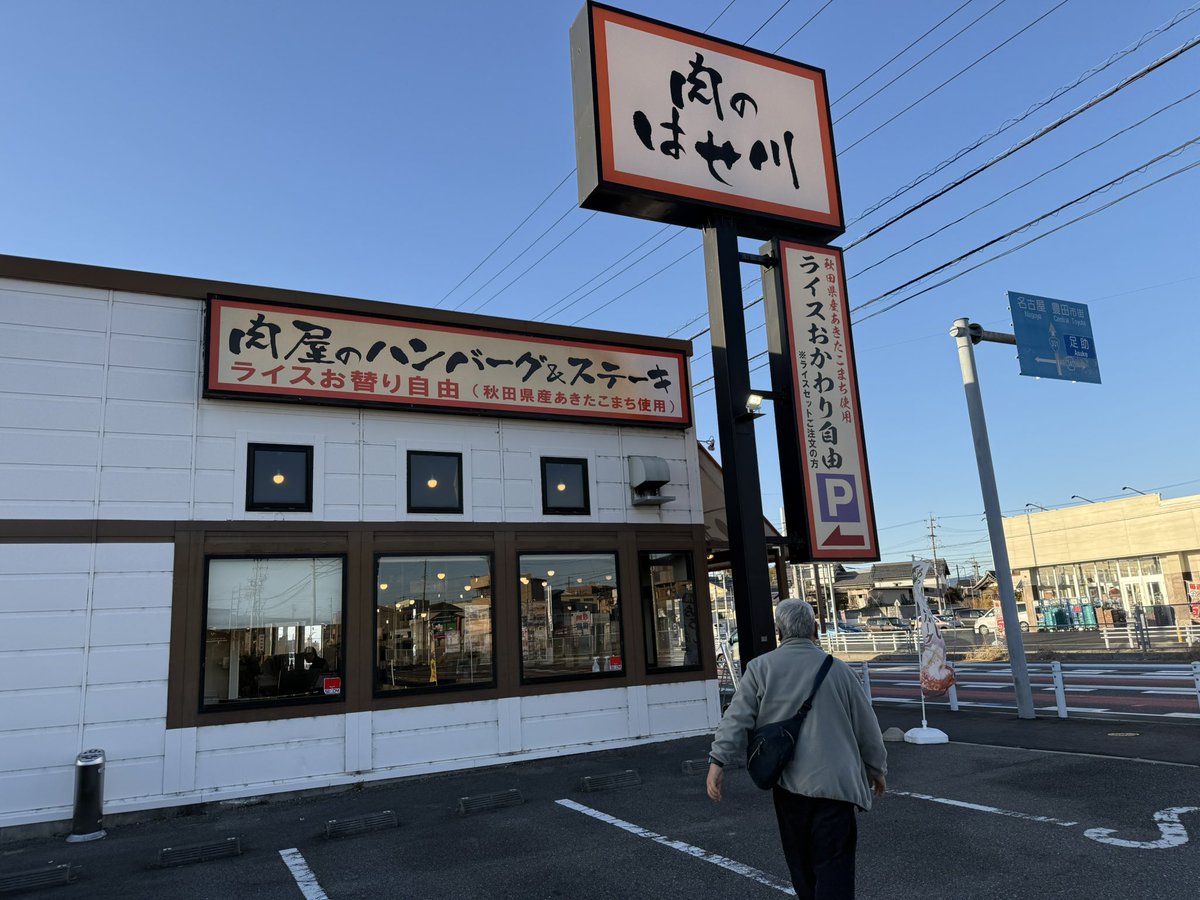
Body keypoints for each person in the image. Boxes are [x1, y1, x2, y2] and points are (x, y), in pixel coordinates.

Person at [707, 599, 887, 899]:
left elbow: (736, 718)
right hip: (838, 785)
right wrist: (876, 769)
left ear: (779, 632)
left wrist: (717, 761)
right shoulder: (838, 670)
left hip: (790, 785)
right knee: (835, 867)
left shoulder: (761, 668)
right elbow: (867, 726)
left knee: (801, 866)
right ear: (815, 629)